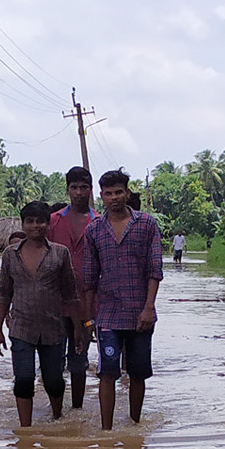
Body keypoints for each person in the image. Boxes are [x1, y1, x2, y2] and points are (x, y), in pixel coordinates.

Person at [82, 169, 164, 429]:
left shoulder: (147, 225)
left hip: (141, 312)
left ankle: (135, 426)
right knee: (107, 372)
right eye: (108, 193)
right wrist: (87, 320)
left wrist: (148, 308)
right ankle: (106, 431)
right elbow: (89, 277)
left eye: (119, 192)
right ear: (102, 196)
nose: (114, 197)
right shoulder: (94, 230)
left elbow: (155, 270)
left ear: (127, 193)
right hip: (107, 315)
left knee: (138, 373)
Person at [0, 201, 86, 426]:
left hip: (53, 328)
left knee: (54, 381)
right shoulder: (10, 254)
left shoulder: (59, 253)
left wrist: (77, 329)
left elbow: (70, 294)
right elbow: (4, 293)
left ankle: (57, 418)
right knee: (24, 380)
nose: (36, 226)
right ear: (23, 224)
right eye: (30, 221)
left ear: (48, 224)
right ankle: (24, 430)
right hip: (21, 327)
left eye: (40, 221)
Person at [46, 165, 97, 409]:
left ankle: (76, 410)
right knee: (53, 361)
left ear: (90, 189)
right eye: (74, 187)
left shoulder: (99, 223)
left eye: (83, 187)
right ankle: (56, 411)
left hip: (87, 306)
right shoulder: (53, 221)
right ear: (67, 190)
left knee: (79, 359)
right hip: (54, 305)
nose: (78, 192)